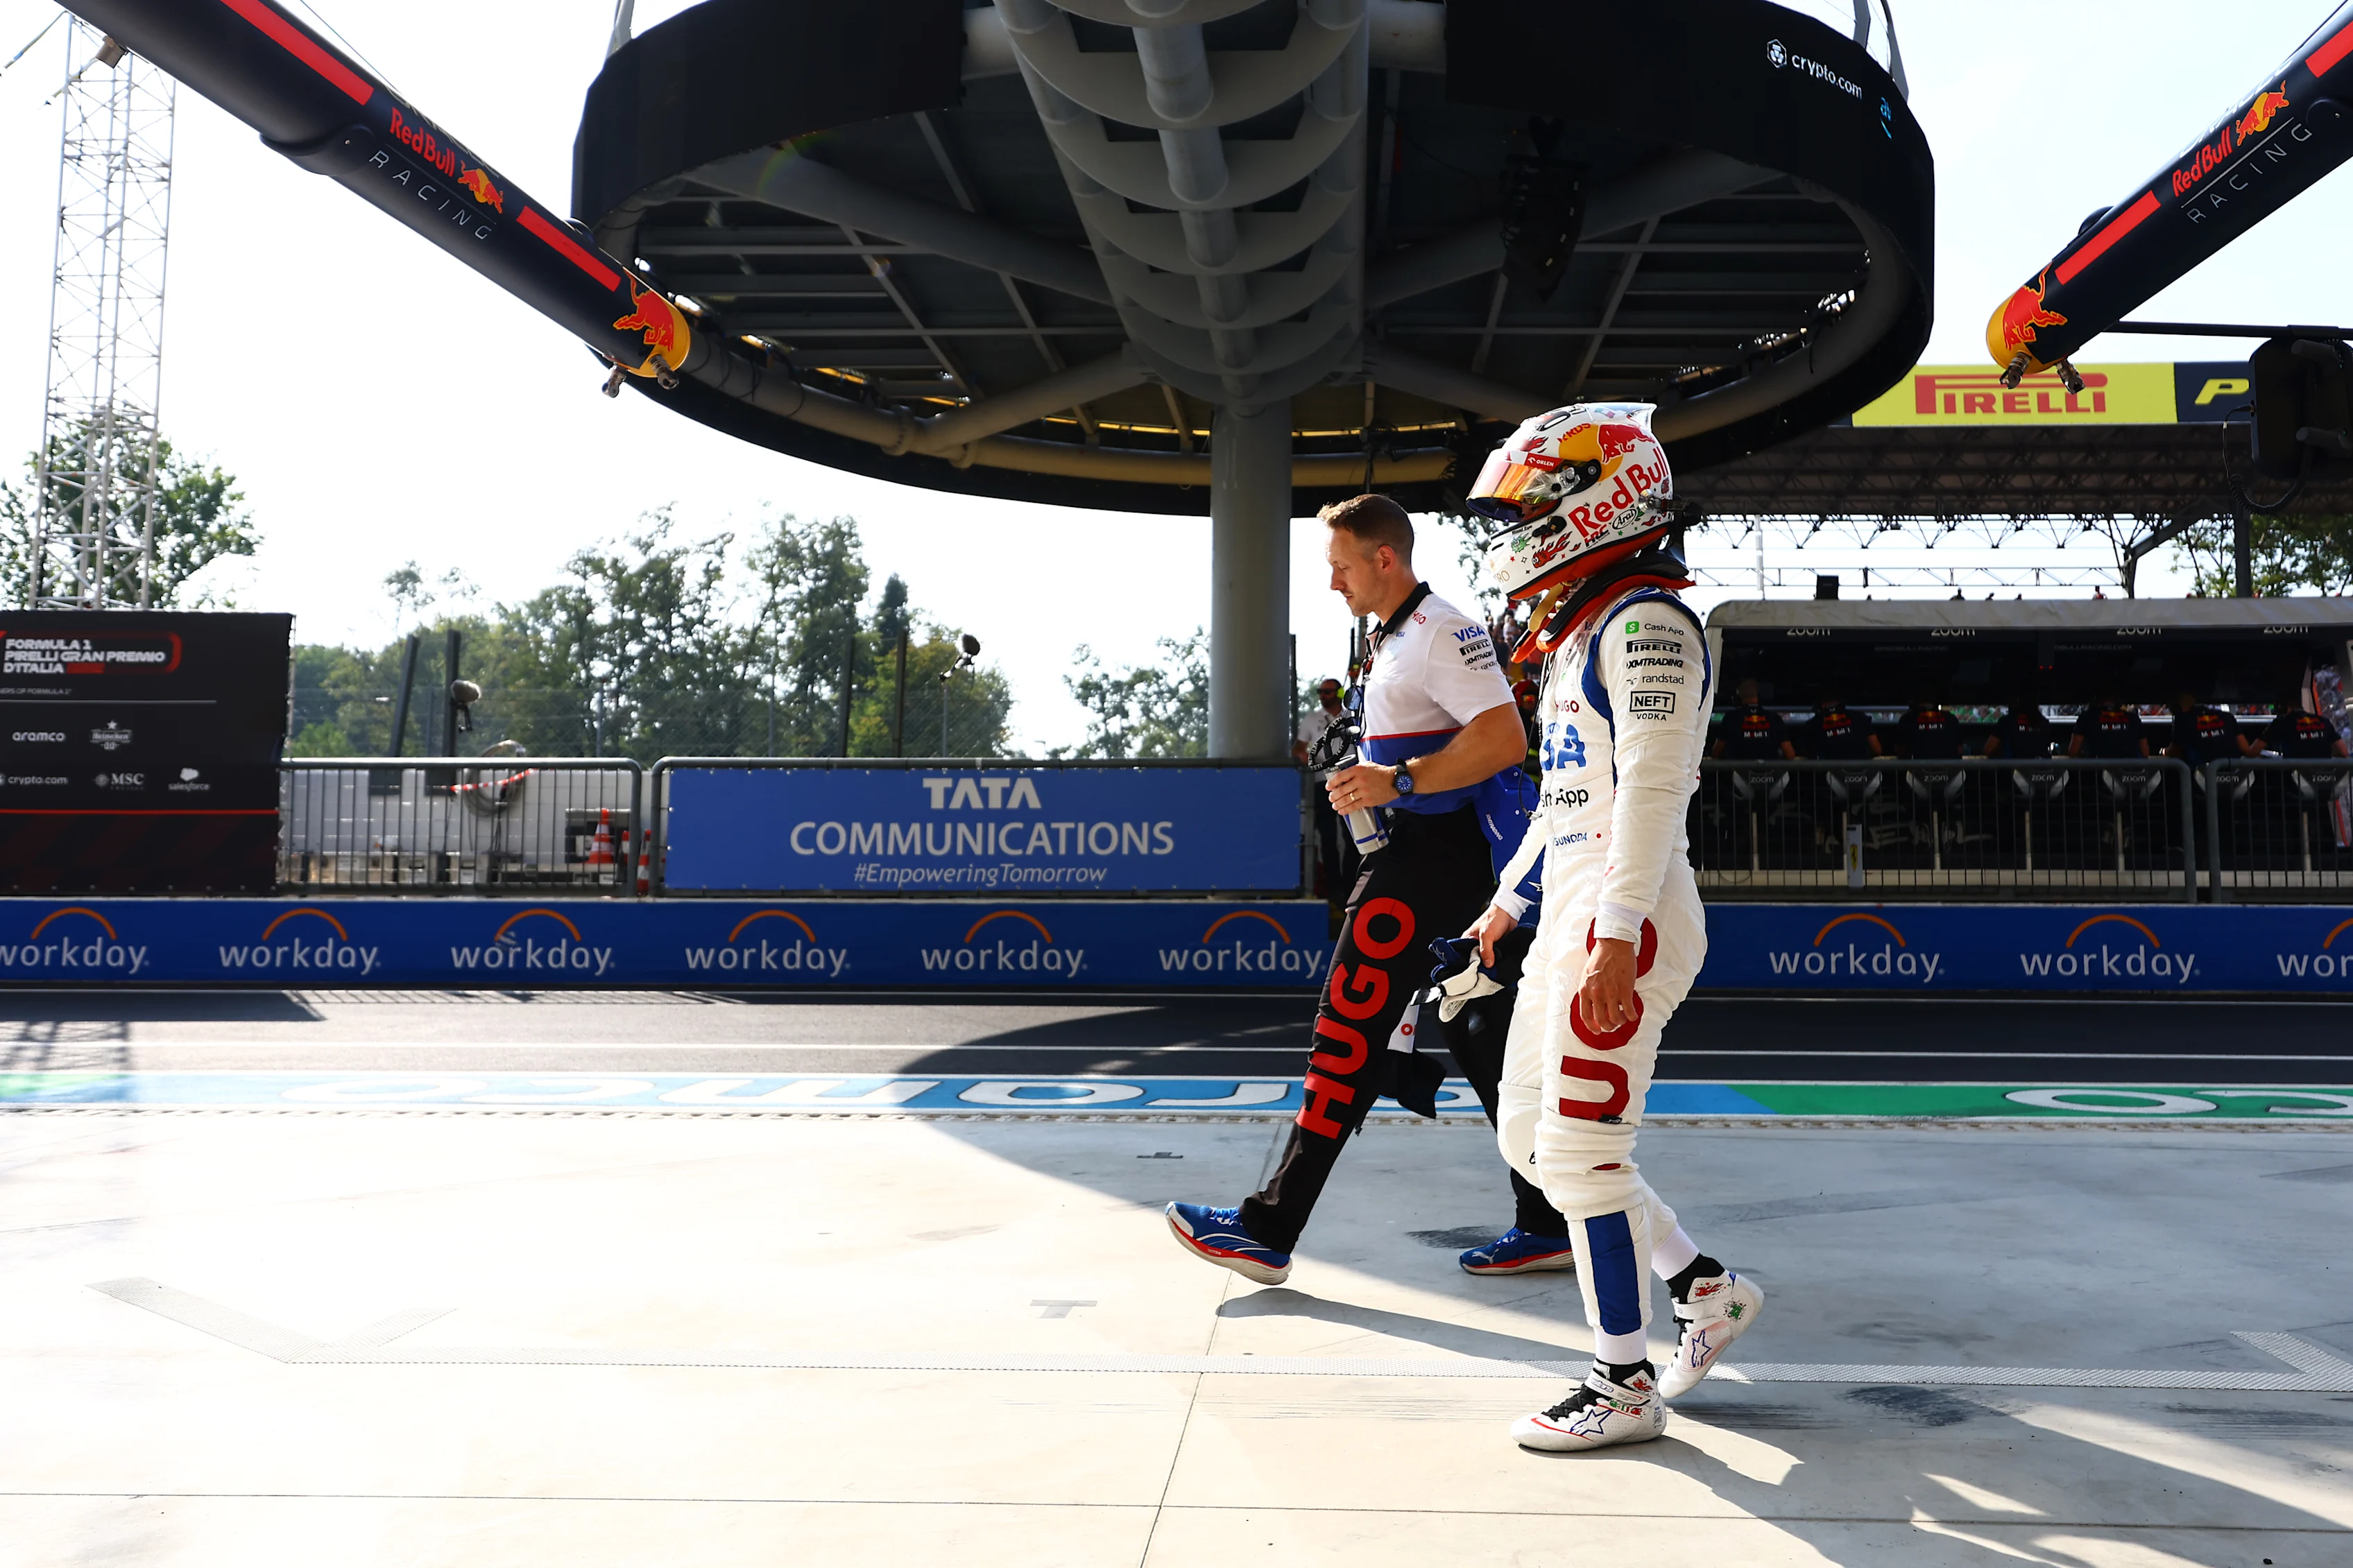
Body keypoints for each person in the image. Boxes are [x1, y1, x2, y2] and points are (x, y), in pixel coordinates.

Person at [1462, 401, 1763, 1452]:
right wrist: (1507, 903)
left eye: (1531, 503)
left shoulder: (1649, 623)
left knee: (1585, 1153)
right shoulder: (1587, 627)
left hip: (1622, 911)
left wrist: (1617, 932)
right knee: (1530, 1139)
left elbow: (1651, 790)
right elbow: (1566, 801)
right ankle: (1704, 1287)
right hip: (1582, 906)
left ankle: (1621, 1379)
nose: (1515, 531)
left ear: (1600, 497)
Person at [1165, 494, 1528, 1284]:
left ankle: (1266, 1227)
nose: (1333, 582)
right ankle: (1546, 1218)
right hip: (1422, 852)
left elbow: (1504, 737)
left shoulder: (1442, 629)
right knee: (1478, 1038)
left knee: (1348, 1020)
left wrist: (1393, 778)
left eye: (1339, 566)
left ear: (1383, 559)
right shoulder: (1392, 633)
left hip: (1431, 858)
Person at [1295, 676, 1349, 898]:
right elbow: (1297, 750)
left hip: (1350, 778)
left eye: (1328, 692)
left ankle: (1352, 882)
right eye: (1321, 691)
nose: (1323, 696)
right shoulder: (1312, 719)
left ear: (1339, 693)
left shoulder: (1351, 716)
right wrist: (1315, 760)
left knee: (1353, 835)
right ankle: (1335, 887)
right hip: (1322, 783)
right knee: (1327, 836)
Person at [2166, 690, 2257, 777]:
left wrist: (2163, 752)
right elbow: (2245, 748)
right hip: (2233, 776)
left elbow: (2174, 751)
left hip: (2202, 778)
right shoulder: (2227, 716)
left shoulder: (2183, 721)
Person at [1710, 678, 1796, 762]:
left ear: (1738, 697)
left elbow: (1716, 752)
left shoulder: (1730, 718)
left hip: (1737, 772)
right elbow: (1790, 754)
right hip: (1772, 774)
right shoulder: (1775, 719)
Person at [2068, 696, 2149, 759]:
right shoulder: (2133, 718)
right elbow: (2145, 753)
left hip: (2097, 771)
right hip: (2127, 772)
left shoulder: (2087, 717)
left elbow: (2073, 751)